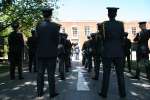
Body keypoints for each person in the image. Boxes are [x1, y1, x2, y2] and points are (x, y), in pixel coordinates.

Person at [99, 7, 126, 98]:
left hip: (108, 52)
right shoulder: (121, 24)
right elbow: (122, 38)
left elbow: (103, 38)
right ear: (116, 14)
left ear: (108, 15)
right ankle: (122, 93)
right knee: (120, 74)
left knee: (106, 74)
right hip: (119, 51)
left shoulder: (104, 24)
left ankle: (104, 93)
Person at [36, 7, 60, 98]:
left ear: (43, 15)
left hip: (41, 53)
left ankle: (39, 92)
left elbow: (37, 38)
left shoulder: (38, 25)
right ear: (51, 15)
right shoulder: (54, 26)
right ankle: (52, 92)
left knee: (40, 74)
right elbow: (57, 40)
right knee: (51, 74)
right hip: (51, 53)